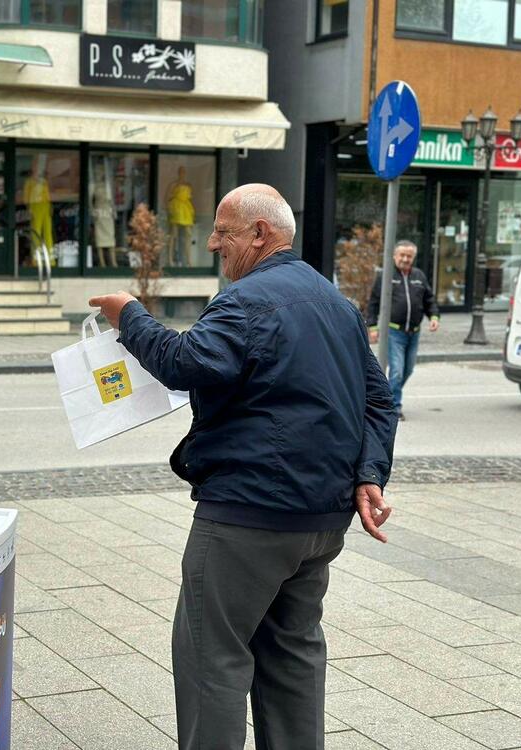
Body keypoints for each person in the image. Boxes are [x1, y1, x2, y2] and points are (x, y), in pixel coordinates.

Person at [89, 184, 397, 750]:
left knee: (213, 661)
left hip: (247, 517)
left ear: (262, 234)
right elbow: (380, 400)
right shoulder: (337, 304)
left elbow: (183, 362)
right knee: (293, 658)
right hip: (320, 521)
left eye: (224, 232)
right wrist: (368, 475)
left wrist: (129, 314)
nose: (211, 243)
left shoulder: (246, 301)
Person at [365, 239, 440, 420]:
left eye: (409, 256)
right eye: (402, 255)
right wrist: (372, 327)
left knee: (407, 370)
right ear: (394, 256)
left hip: (414, 332)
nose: (405, 259)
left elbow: (429, 299)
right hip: (394, 332)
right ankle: (393, 407)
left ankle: (388, 396)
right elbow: (374, 303)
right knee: (397, 371)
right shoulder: (386, 276)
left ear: (413, 257)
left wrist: (434, 317)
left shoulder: (419, 276)